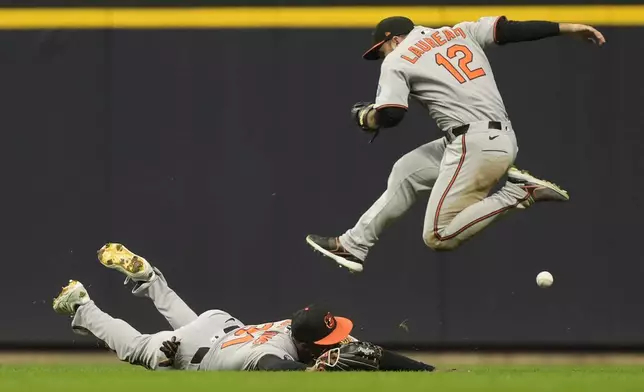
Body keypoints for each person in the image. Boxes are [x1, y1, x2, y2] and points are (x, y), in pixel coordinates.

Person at [306, 15, 605, 272]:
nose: (382, 56)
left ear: (394, 40)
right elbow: (509, 30)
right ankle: (353, 244)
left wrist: (366, 117)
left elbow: (392, 114)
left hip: (473, 145)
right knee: (407, 170)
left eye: (381, 50)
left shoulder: (398, 58)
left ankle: (518, 193)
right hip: (494, 138)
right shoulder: (459, 31)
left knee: (437, 236)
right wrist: (568, 27)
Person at [53, 243, 434, 371]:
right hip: (192, 349)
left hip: (221, 327)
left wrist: (425, 371)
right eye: (330, 339)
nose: (337, 342)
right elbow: (278, 371)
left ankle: (150, 280)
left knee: (188, 320)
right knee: (138, 348)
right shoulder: (273, 353)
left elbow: (370, 352)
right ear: (307, 345)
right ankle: (83, 305)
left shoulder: (295, 326)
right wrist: (315, 374)